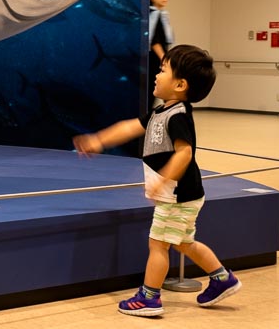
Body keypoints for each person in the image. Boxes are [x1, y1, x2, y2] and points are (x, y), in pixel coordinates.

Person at [73, 44, 241, 317]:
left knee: (158, 244)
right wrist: (99, 140)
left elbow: (184, 153)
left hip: (176, 195)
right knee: (183, 242)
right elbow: (129, 127)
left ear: (180, 84)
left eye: (163, 70)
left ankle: (149, 297)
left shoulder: (178, 116)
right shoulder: (160, 111)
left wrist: (164, 181)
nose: (156, 74)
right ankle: (222, 279)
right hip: (181, 194)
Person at [148, 0, 174, 111]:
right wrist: (164, 60)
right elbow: (154, 42)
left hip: (158, 60)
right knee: (152, 91)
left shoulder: (161, 15)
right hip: (154, 60)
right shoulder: (153, 15)